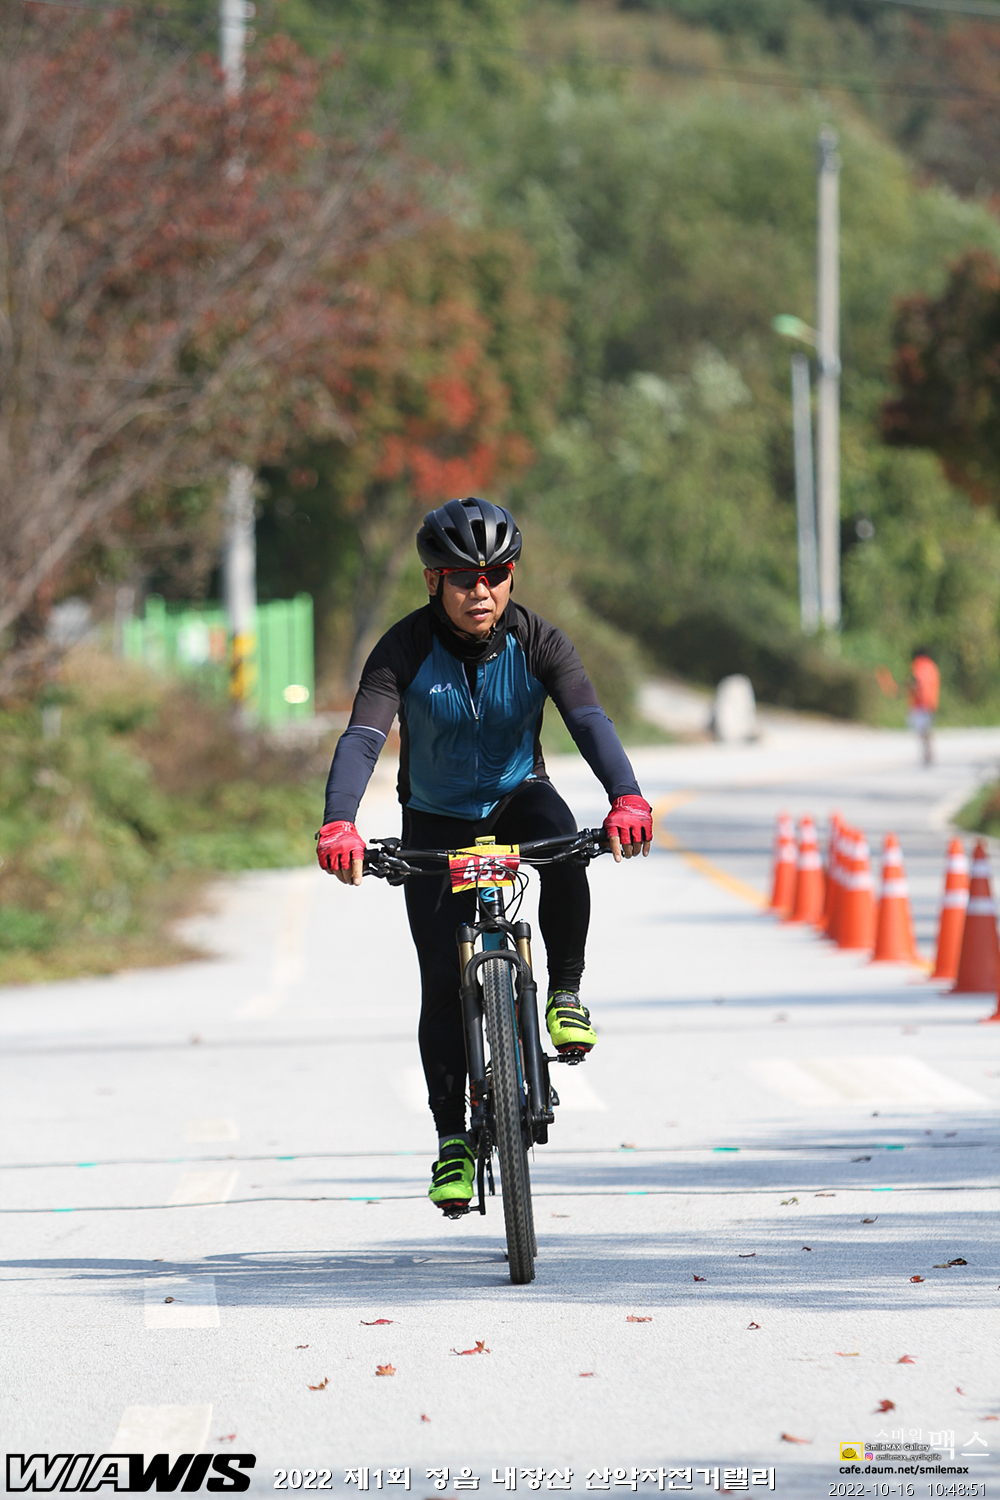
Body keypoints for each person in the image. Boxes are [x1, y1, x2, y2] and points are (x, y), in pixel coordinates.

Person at [315, 496, 653, 1212]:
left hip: (517, 796)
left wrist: (627, 797)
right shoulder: (402, 649)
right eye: (464, 578)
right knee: (442, 980)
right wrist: (339, 823)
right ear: (433, 581)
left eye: (496, 575)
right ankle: (452, 1143)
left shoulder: (539, 641)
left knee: (565, 844)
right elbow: (363, 739)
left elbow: (589, 718)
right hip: (433, 821)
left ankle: (564, 993)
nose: (482, 590)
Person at [907, 649, 940, 766]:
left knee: (922, 731)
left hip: (920, 703)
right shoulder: (933, 667)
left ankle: (927, 755)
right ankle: (929, 754)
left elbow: (917, 683)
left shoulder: (918, 666)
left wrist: (910, 686)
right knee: (927, 730)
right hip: (931, 703)